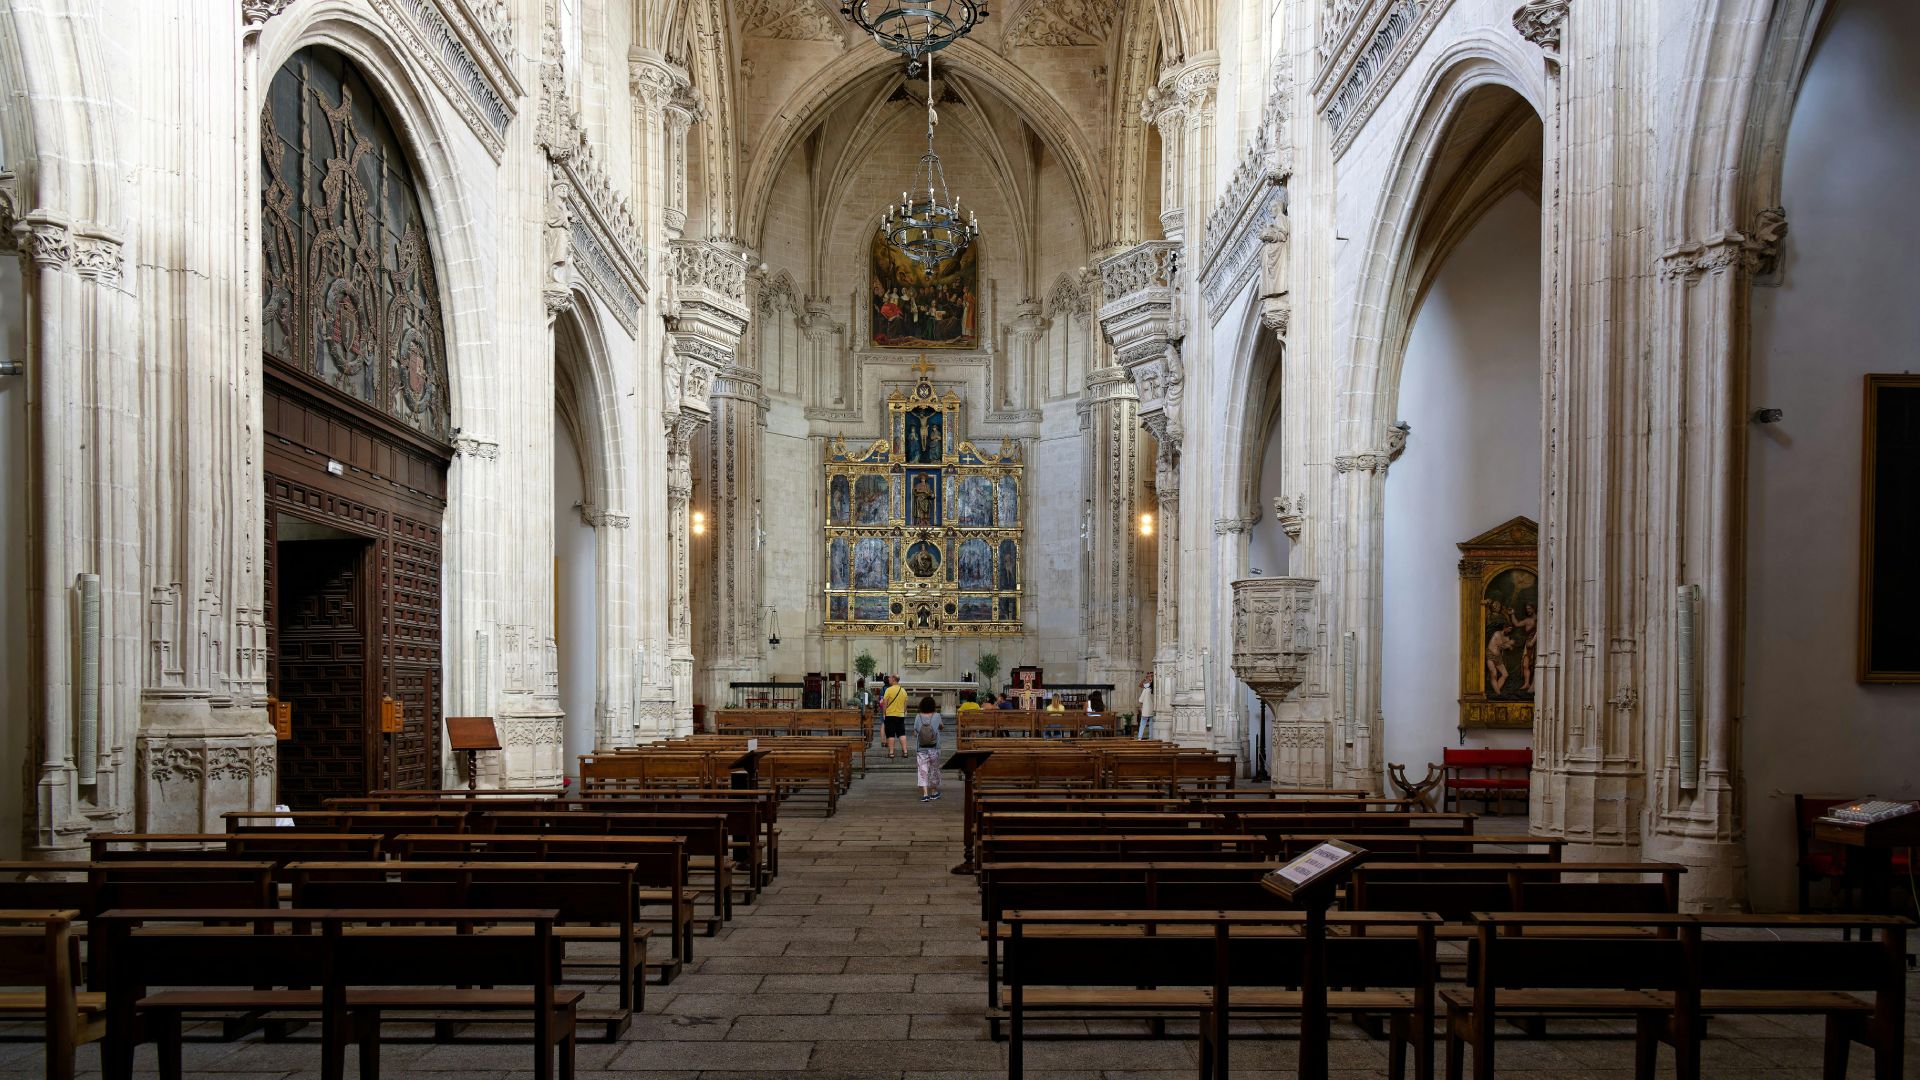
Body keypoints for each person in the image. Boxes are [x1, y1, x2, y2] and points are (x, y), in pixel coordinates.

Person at [914, 695, 943, 802]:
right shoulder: (937, 716)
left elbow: (915, 731)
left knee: (922, 771)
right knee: (934, 769)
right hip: (934, 747)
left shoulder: (918, 716)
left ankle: (925, 794)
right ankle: (934, 792)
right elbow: (941, 727)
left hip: (921, 747)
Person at [880, 673, 910, 760]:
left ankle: (891, 753)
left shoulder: (889, 690)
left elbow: (885, 703)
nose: (888, 679)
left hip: (890, 715)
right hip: (900, 715)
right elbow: (905, 704)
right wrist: (902, 712)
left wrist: (884, 713)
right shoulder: (903, 690)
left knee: (890, 734)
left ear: (893, 679)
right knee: (902, 733)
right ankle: (905, 752)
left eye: (889, 678)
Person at [1136, 674, 1155, 740]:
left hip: (1146, 709)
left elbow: (1140, 700)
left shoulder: (1146, 690)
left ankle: (1139, 737)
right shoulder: (1155, 691)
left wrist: (1140, 708)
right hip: (1152, 710)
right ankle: (1150, 738)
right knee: (1151, 725)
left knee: (1142, 724)